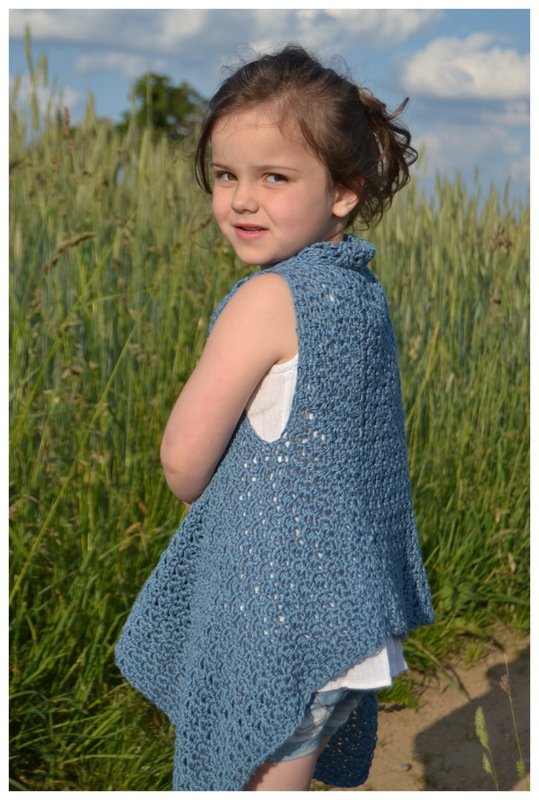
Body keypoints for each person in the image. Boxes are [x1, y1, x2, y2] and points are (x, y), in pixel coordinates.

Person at [115, 44, 435, 792]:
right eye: (226, 175)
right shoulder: (360, 294)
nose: (241, 199)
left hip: (279, 626)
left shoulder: (268, 299)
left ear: (343, 191)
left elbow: (183, 461)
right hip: (346, 614)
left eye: (275, 178)